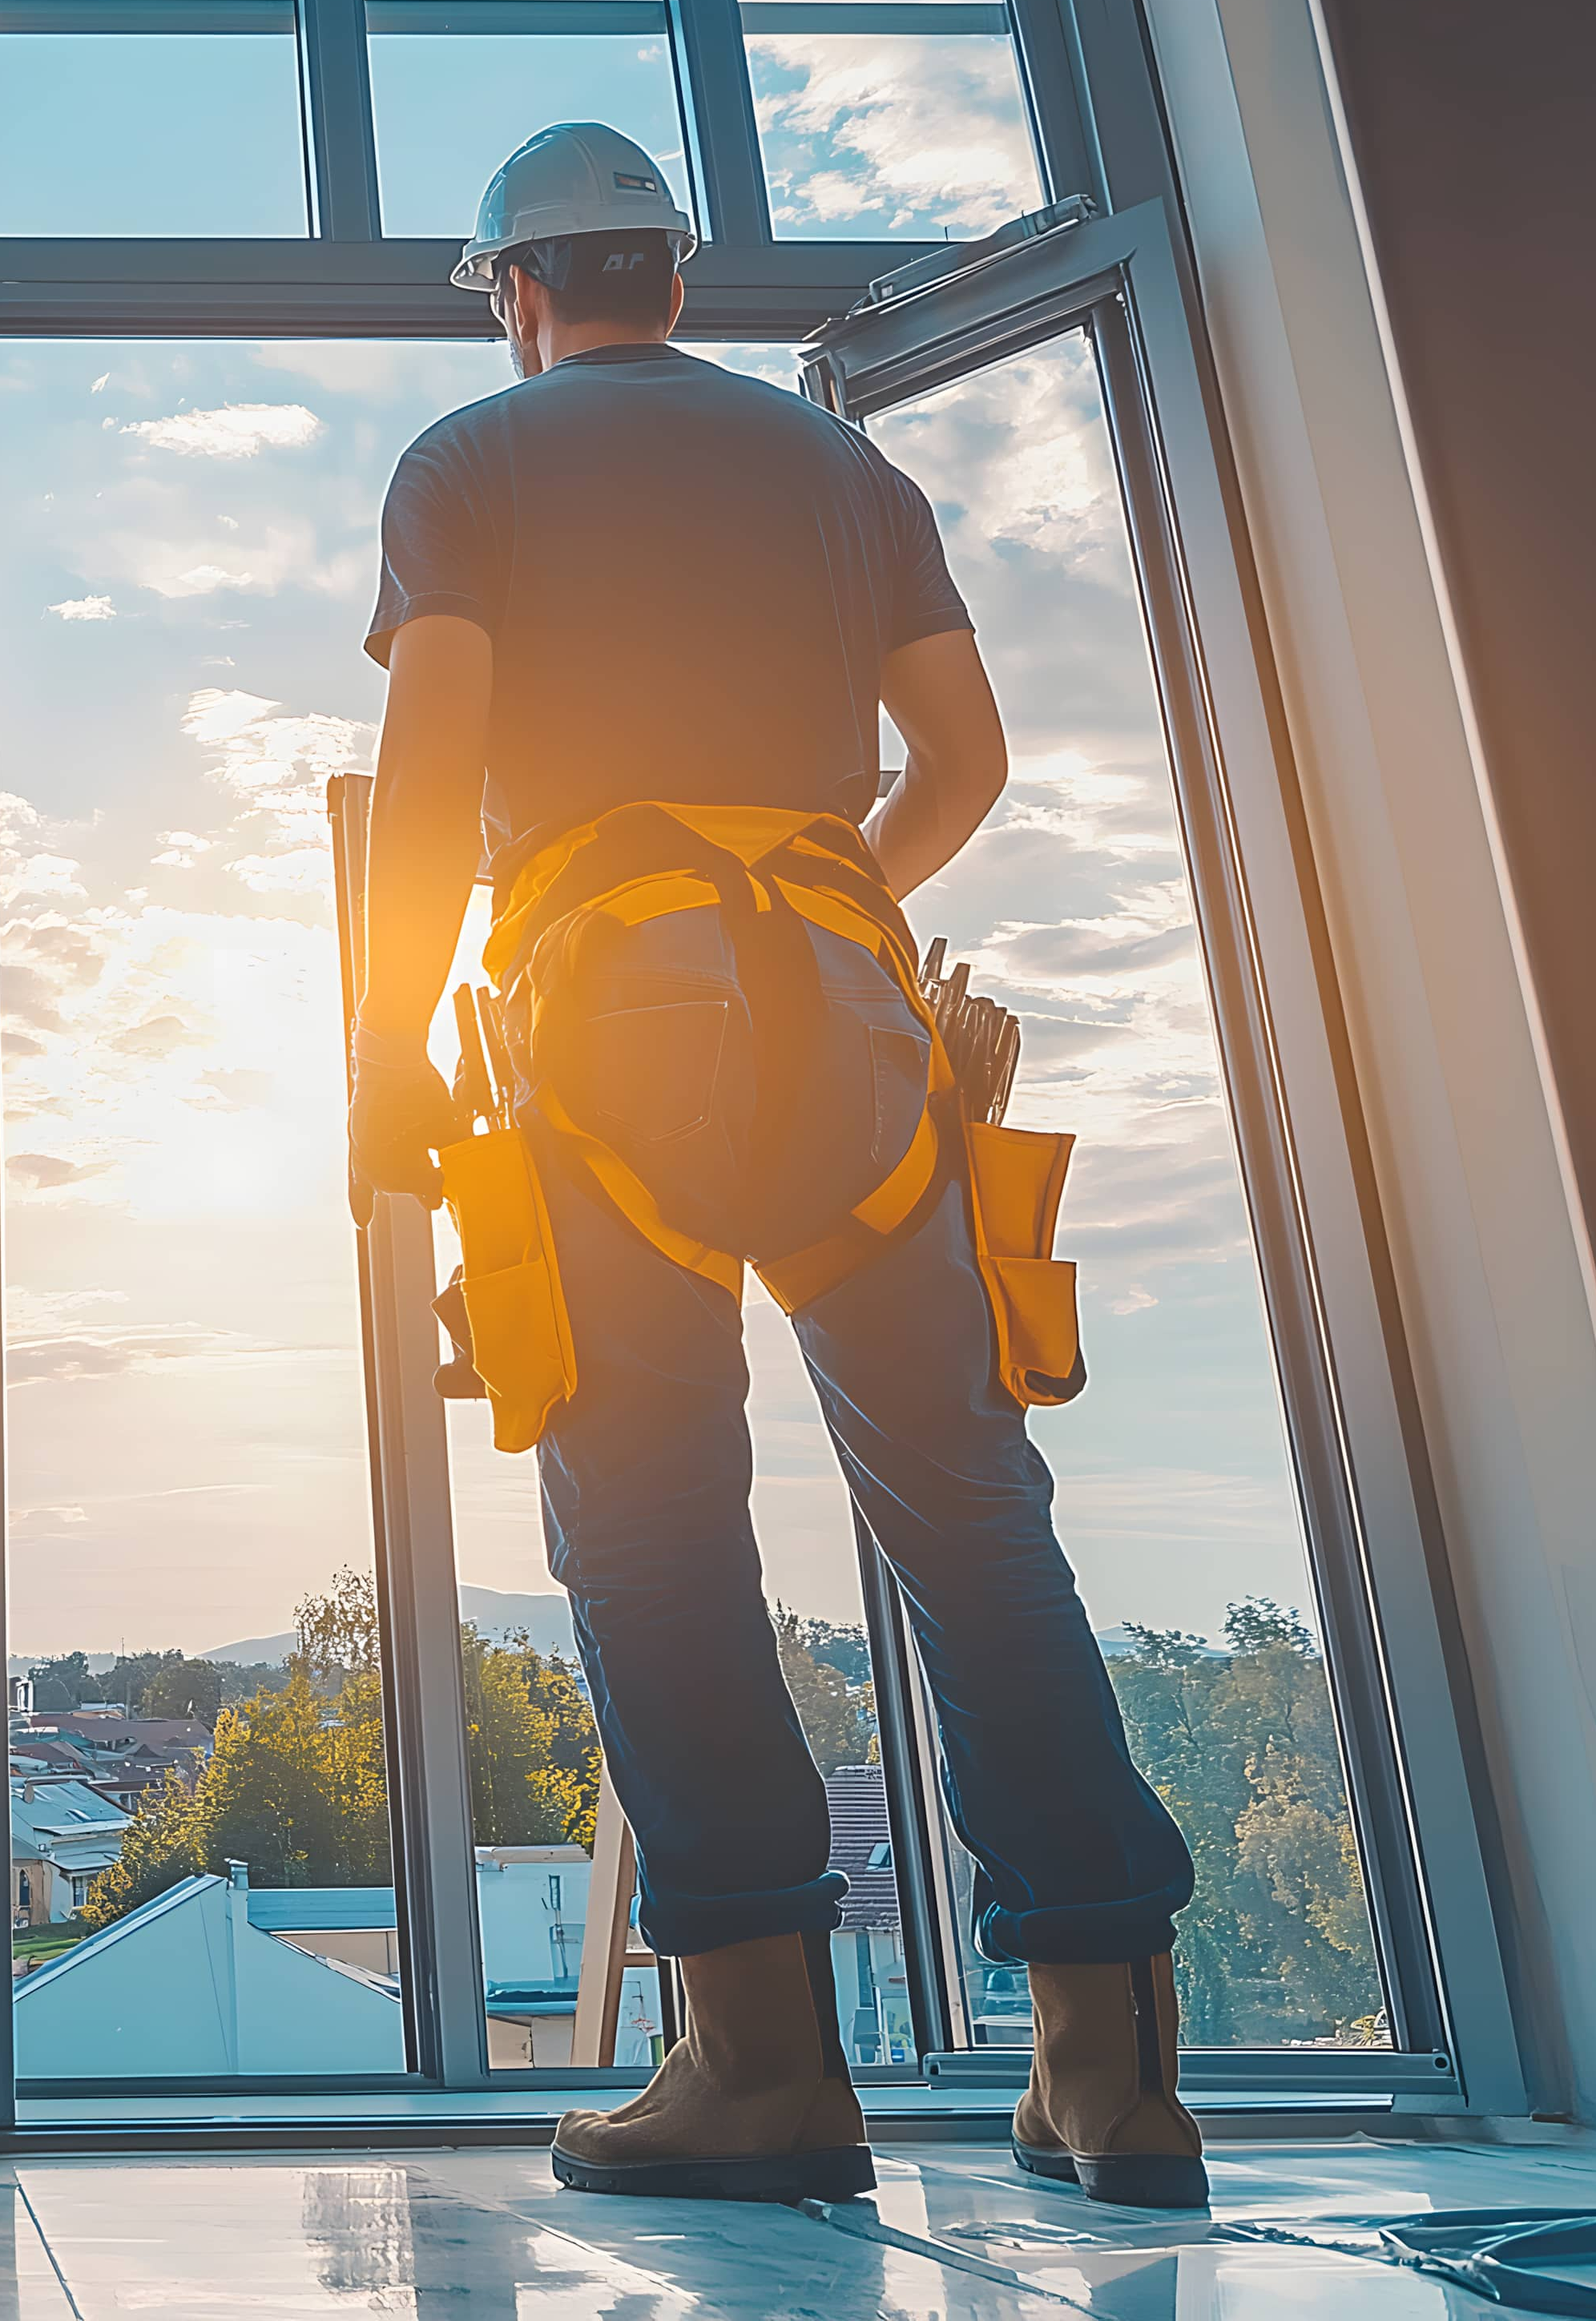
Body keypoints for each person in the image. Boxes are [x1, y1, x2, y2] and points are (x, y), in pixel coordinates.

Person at [345, 126, 1207, 2213]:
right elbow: (966, 767)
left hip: (608, 1022)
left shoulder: (472, 464)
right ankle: (1111, 2075)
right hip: (849, 1020)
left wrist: (387, 1046)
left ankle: (758, 2064)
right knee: (971, 1516)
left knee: (650, 1528)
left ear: (517, 291)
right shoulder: (850, 476)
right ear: (675, 274)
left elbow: (438, 759)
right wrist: (823, 896)